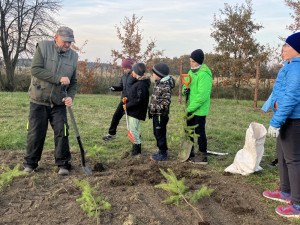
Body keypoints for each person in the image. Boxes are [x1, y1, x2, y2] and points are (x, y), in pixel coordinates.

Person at [23, 26, 78, 176]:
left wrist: (70, 97)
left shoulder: (73, 56)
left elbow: (73, 82)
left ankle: (63, 164)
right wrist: (58, 79)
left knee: (62, 132)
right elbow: (36, 69)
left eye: (70, 42)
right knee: (36, 133)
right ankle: (30, 163)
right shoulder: (43, 47)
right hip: (39, 99)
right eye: (65, 41)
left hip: (58, 102)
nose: (68, 44)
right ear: (56, 38)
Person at [263, 32, 300, 218]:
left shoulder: (296, 70)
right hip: (286, 118)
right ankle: (285, 191)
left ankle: (297, 204)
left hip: (294, 120)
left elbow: (291, 97)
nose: (283, 49)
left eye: (287, 46)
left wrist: (275, 122)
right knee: (283, 154)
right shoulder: (290, 67)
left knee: (293, 160)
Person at [262, 44, 291, 167]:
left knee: (290, 141)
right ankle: (280, 160)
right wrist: (266, 106)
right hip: (280, 112)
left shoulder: (293, 70)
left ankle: (284, 161)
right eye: (282, 51)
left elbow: (291, 95)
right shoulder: (285, 67)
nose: (282, 54)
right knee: (282, 140)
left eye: (285, 51)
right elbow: (276, 92)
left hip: (288, 112)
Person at [182, 49, 212, 164]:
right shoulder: (190, 73)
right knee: (188, 130)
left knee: (199, 132)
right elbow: (187, 90)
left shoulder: (204, 75)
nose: (191, 63)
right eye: (190, 61)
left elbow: (202, 96)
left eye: (193, 61)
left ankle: (202, 155)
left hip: (199, 109)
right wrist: (185, 91)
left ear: (199, 62)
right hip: (190, 108)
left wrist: (189, 109)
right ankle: (190, 152)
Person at [102, 58, 135, 141]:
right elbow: (121, 87)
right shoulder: (123, 76)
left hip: (132, 101)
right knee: (116, 116)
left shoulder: (135, 76)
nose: (124, 70)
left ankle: (135, 137)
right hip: (123, 100)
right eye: (123, 68)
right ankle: (111, 134)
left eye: (125, 68)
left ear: (130, 67)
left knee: (132, 121)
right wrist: (114, 88)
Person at [148, 63, 175, 161]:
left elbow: (165, 103)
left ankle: (163, 153)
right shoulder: (158, 82)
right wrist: (151, 109)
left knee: (160, 133)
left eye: (154, 73)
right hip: (156, 114)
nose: (152, 74)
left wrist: (154, 108)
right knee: (156, 132)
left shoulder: (165, 86)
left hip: (160, 115)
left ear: (159, 74)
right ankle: (161, 150)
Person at [124, 63, 150, 156]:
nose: (132, 72)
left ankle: (136, 150)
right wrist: (127, 100)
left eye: (133, 70)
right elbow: (135, 96)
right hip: (134, 110)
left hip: (136, 111)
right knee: (134, 129)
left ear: (136, 72)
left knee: (133, 130)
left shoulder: (141, 84)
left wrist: (128, 106)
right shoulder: (139, 82)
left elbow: (139, 100)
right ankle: (136, 147)